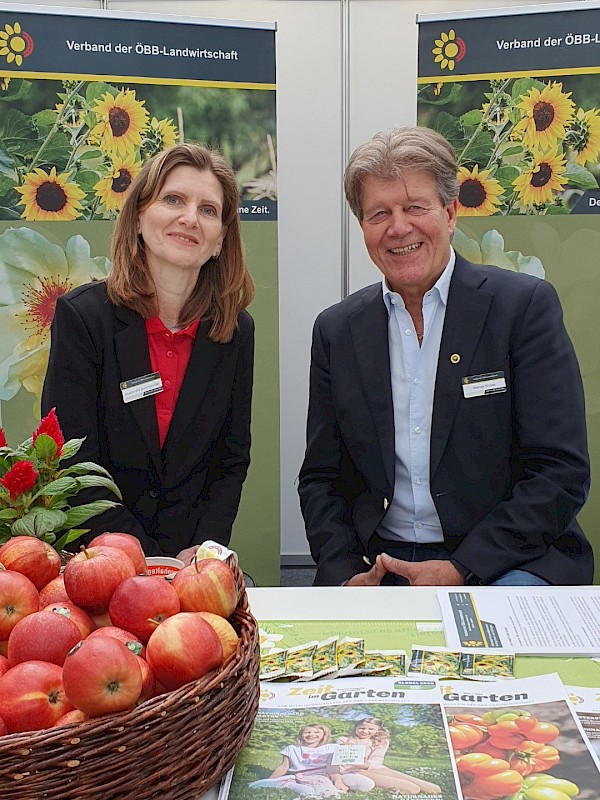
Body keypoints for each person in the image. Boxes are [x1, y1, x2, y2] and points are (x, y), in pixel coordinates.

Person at [298, 126, 593, 587]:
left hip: (506, 559)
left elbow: (560, 471)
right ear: (363, 227)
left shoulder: (522, 308)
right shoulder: (337, 331)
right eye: (380, 213)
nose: (399, 227)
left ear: (451, 212)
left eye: (415, 207)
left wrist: (462, 568)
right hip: (382, 564)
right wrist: (344, 572)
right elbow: (322, 478)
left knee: (492, 633)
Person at [42, 143, 255, 564]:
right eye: (173, 199)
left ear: (219, 240)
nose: (190, 218)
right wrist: (153, 563)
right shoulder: (83, 318)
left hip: (192, 568)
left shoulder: (234, 331)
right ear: (138, 217)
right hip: (101, 562)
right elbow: (76, 467)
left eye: (208, 210)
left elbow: (230, 461)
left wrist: (202, 553)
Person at [332, 717, 441, 794]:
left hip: (374, 768)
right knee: (413, 789)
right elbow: (337, 761)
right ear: (356, 728)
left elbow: (377, 760)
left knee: (435, 789)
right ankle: (381, 786)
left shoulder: (382, 741)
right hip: (353, 771)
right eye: (361, 728)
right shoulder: (344, 740)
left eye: (371, 729)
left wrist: (366, 765)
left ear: (378, 730)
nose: (365, 731)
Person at [249, 723, 341, 798]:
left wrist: (338, 780)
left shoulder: (330, 748)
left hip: (321, 777)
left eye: (316, 732)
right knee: (307, 791)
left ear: (324, 735)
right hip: (299, 777)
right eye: (307, 732)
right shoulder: (292, 748)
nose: (311, 735)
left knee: (328, 791)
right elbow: (284, 767)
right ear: (301, 735)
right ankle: (292, 787)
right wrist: (270, 779)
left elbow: (335, 767)